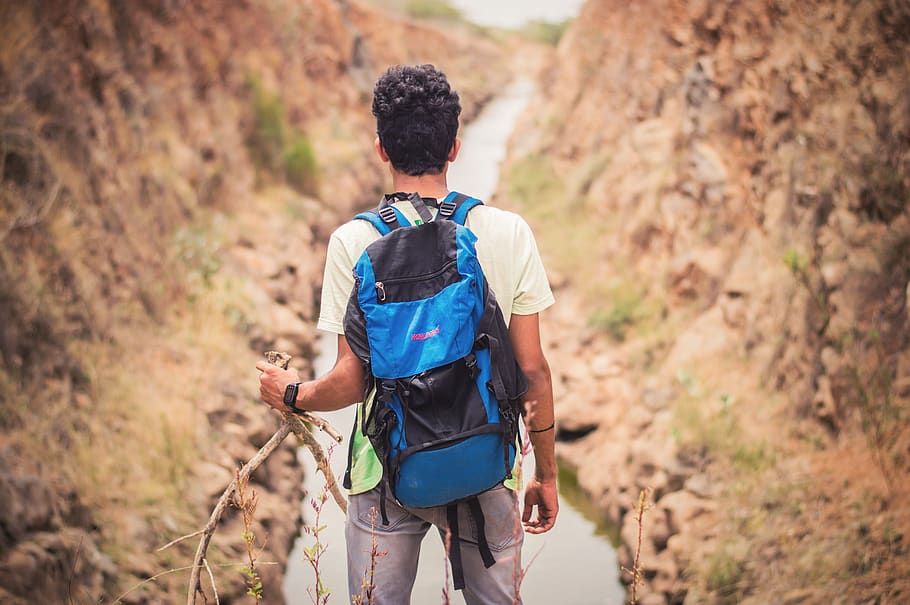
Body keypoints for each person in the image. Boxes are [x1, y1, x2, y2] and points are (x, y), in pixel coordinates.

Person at [257, 63, 557, 604]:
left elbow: (350, 381)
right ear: (456, 147)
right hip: (486, 460)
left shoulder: (353, 242)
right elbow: (532, 370)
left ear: (381, 149)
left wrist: (292, 393)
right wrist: (547, 473)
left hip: (386, 469)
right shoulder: (508, 232)